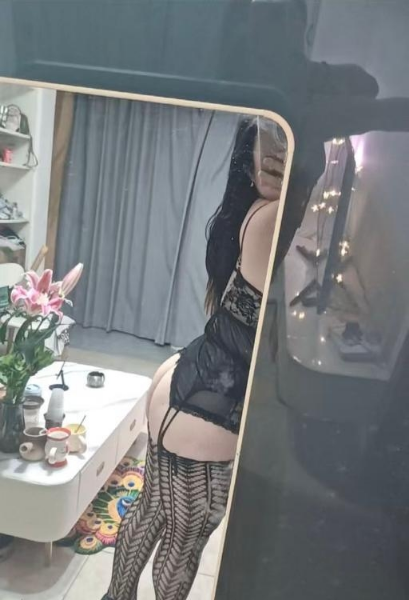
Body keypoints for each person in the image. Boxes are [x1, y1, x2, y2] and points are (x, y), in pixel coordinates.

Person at [103, 118, 286, 600]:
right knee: (185, 542)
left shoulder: (253, 208)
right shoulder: (276, 214)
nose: (277, 154)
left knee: (151, 511)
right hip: (208, 402)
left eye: (285, 142)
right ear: (247, 157)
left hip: (188, 379)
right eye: (266, 142)